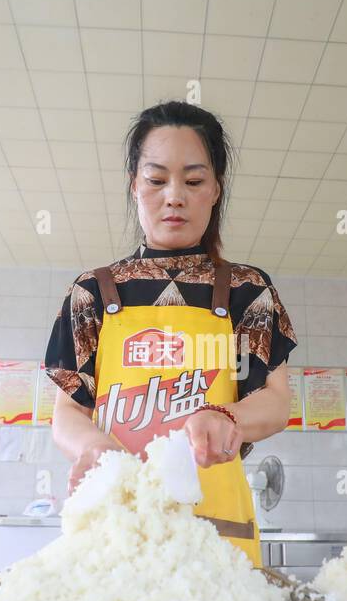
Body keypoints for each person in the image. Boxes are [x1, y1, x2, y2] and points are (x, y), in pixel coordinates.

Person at [43, 101, 298, 566]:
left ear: (216, 190)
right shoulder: (91, 293)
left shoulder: (247, 290)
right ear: (135, 186)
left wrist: (226, 418)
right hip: (115, 530)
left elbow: (275, 402)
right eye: (157, 180)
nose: (174, 196)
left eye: (194, 180)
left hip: (216, 536)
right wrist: (95, 449)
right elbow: (67, 413)